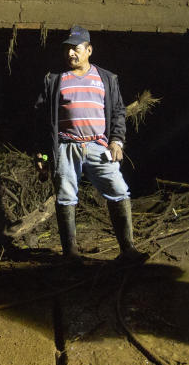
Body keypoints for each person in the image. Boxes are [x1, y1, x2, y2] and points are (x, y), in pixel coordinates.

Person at [34, 25, 146, 264]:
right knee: (65, 197)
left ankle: (128, 250)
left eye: (75, 49)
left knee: (119, 191)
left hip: (98, 147)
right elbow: (41, 121)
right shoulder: (54, 80)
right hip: (66, 147)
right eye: (67, 50)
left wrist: (117, 141)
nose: (70, 54)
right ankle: (71, 254)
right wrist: (42, 158)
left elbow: (117, 112)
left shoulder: (106, 78)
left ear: (89, 50)